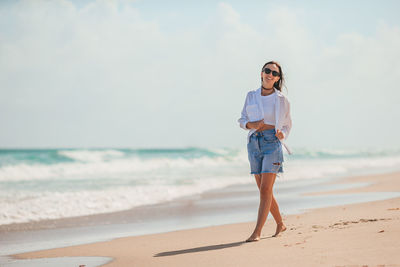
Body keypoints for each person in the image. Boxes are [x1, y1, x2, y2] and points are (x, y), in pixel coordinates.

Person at [238, 61, 292, 242]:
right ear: (261, 73)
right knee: (264, 190)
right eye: (267, 71)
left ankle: (257, 232)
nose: (270, 75)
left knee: (266, 189)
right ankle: (280, 224)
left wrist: (281, 134)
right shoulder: (251, 96)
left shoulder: (282, 100)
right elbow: (242, 119)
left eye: (274, 73)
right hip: (254, 144)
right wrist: (250, 125)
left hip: (272, 144)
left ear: (277, 79)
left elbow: (287, 125)